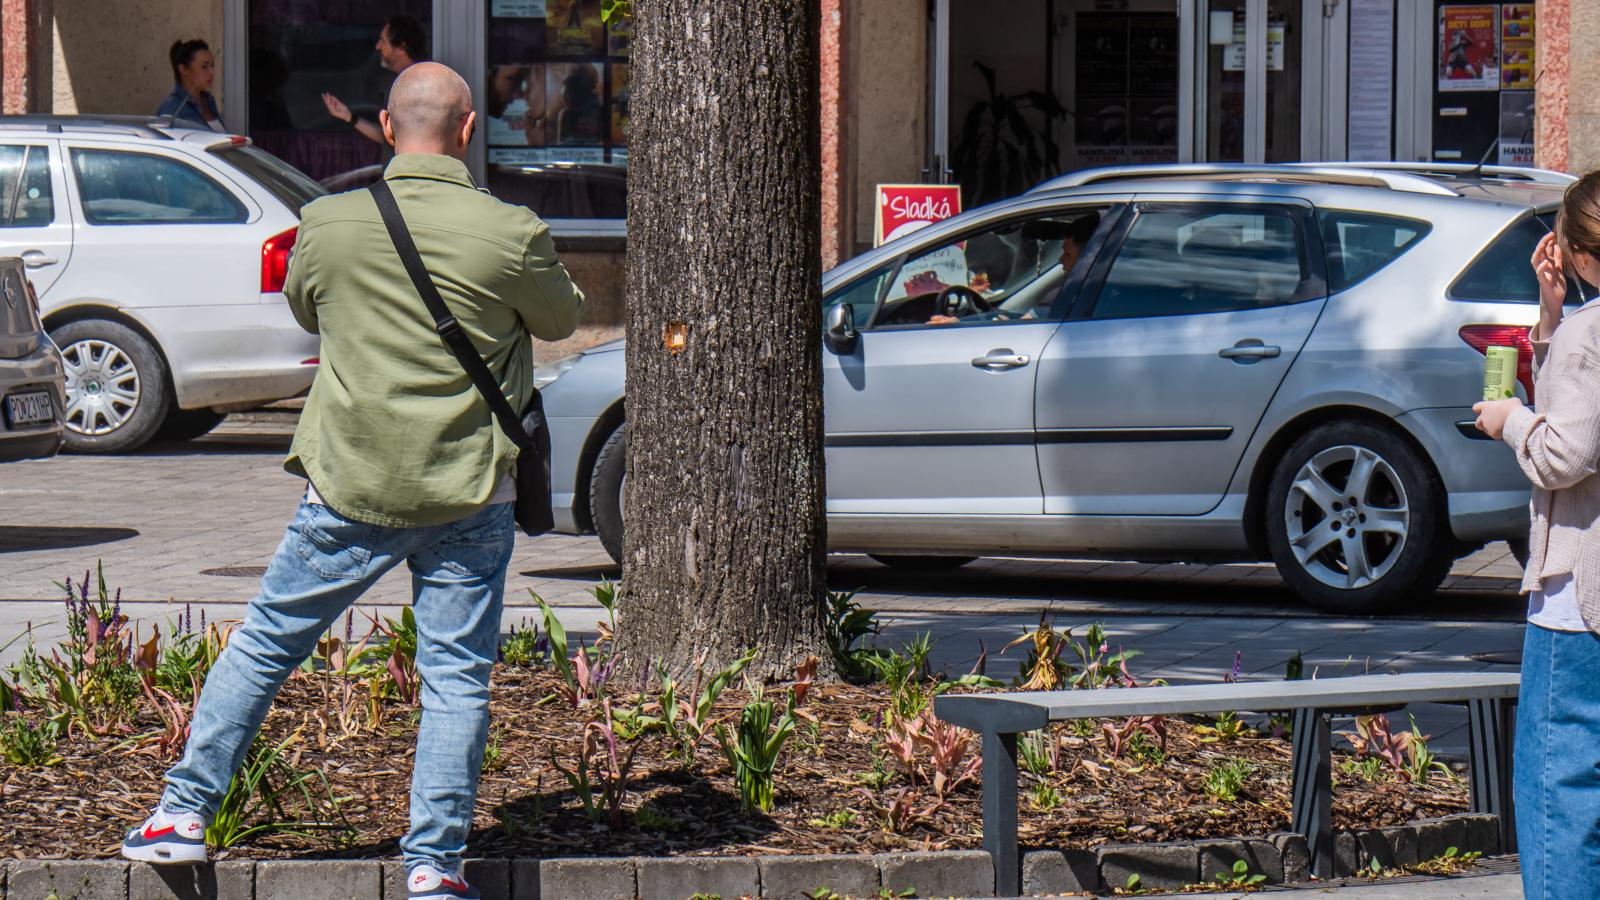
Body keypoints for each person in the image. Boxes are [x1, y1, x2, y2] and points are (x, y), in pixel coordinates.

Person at [120, 62, 584, 900]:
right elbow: (559, 319)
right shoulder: (508, 229)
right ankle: (434, 866)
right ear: (469, 130)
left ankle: (182, 813)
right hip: (470, 486)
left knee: (267, 644)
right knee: (455, 678)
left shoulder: (327, 224)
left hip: (350, 482)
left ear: (384, 121)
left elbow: (308, 307)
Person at [1473, 173, 1600, 900]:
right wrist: (1551, 317)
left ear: (1579, 254)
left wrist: (1509, 418)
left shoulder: (1591, 333)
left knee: (1560, 794)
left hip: (1577, 596)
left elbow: (1564, 451)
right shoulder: (1581, 329)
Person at [928, 213, 1099, 325]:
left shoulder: (1070, 296)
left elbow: (1021, 329)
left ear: (1088, 257)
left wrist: (959, 326)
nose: (1061, 260)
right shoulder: (1093, 296)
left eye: (1067, 254)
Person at [323, 14, 428, 149]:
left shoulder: (421, 86)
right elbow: (389, 137)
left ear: (401, 47)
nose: (378, 46)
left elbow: (412, 142)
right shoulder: (398, 83)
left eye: (383, 41)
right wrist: (350, 117)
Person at [157, 40, 224, 131]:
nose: (211, 72)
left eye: (212, 66)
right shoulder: (172, 109)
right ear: (183, 69)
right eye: (204, 67)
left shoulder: (208, 101)